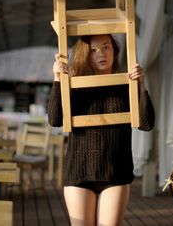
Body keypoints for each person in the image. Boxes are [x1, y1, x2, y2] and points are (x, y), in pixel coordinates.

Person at [48, 34, 155, 226]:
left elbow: (146, 124)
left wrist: (141, 86)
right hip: (79, 173)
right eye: (94, 50)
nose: (101, 54)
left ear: (115, 51)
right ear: (85, 55)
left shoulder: (126, 85)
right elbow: (55, 120)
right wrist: (57, 79)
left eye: (106, 47)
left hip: (115, 175)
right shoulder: (75, 86)